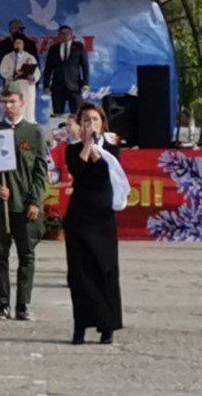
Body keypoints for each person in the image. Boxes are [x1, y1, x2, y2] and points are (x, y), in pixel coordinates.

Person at [0, 86, 49, 321]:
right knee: (0, 255)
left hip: (26, 206)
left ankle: (23, 305)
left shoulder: (33, 132)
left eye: (12, 102)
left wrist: (35, 201)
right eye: (4, 102)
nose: (8, 107)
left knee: (26, 256)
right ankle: (3, 303)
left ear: (22, 103)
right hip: (1, 207)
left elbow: (40, 172)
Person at [64, 103, 126, 345]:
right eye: (86, 121)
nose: (91, 124)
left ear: (102, 122)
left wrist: (97, 149)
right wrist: (87, 144)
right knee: (79, 273)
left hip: (103, 216)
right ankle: (80, 326)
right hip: (80, 214)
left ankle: (107, 325)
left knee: (105, 270)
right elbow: (78, 169)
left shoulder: (112, 148)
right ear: (80, 125)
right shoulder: (72, 149)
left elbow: (106, 170)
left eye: (95, 120)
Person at [44, 25, 89, 115]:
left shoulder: (79, 46)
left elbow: (85, 66)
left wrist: (85, 83)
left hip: (75, 87)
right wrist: (46, 85)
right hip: (57, 87)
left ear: (71, 35)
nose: (65, 35)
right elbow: (48, 68)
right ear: (59, 35)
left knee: (77, 115)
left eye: (67, 33)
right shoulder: (53, 48)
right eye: (62, 33)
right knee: (57, 114)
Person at [0, 37, 41, 123]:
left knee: (27, 110)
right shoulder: (8, 57)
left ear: (23, 45)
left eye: (20, 42)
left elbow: (37, 72)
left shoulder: (30, 57)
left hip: (27, 87)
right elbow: (2, 71)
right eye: (16, 43)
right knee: (14, 109)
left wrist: (33, 78)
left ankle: (28, 131)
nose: (18, 44)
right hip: (13, 87)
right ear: (13, 45)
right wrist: (14, 74)